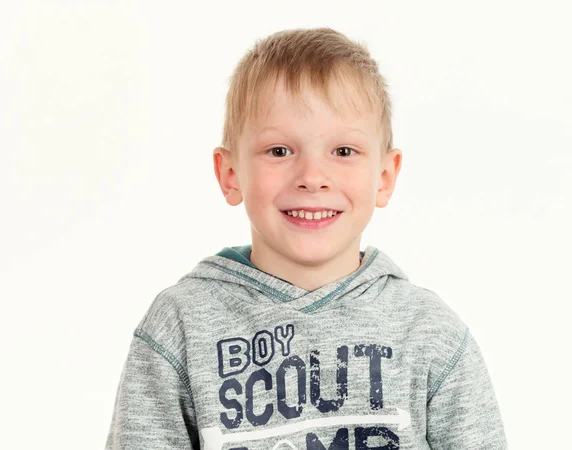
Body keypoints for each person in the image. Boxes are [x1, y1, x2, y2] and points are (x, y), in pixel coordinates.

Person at [105, 28, 507, 449]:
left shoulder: (429, 331)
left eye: (343, 151)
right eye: (279, 151)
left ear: (385, 177)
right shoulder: (179, 327)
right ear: (230, 174)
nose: (312, 178)